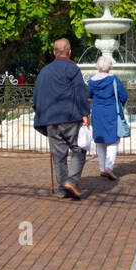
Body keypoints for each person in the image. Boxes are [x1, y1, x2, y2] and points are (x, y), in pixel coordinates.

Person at [32, 38, 91, 200]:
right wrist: (85, 113)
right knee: (79, 149)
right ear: (69, 52)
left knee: (58, 155)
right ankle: (71, 181)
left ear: (54, 52)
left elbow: (36, 96)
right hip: (70, 116)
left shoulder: (44, 71)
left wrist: (40, 114)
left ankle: (61, 189)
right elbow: (80, 92)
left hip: (51, 119)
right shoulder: (72, 69)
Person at [87, 56, 129, 181]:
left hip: (97, 112)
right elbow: (123, 96)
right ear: (109, 66)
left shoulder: (92, 81)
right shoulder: (114, 79)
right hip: (111, 112)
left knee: (100, 140)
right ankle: (108, 167)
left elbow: (89, 95)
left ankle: (102, 168)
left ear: (98, 66)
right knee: (113, 140)